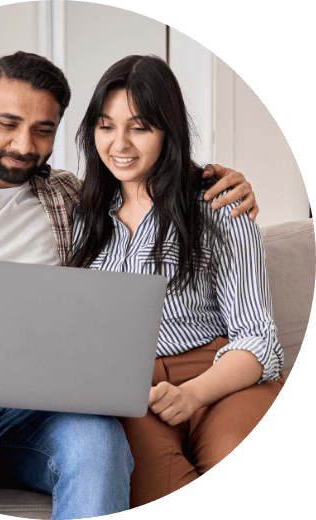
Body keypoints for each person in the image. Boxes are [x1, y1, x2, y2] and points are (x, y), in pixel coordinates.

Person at [0, 51, 258, 516]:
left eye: (43, 130)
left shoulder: (73, 199)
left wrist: (218, 179)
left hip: (34, 408)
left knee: (99, 443)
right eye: (7, 123)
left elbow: (145, 186)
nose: (23, 144)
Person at [69, 54, 284, 507]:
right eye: (106, 126)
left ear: (168, 130)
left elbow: (258, 337)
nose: (119, 143)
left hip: (222, 376)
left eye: (140, 127)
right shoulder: (78, 214)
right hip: (131, 387)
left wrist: (192, 394)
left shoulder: (219, 204)